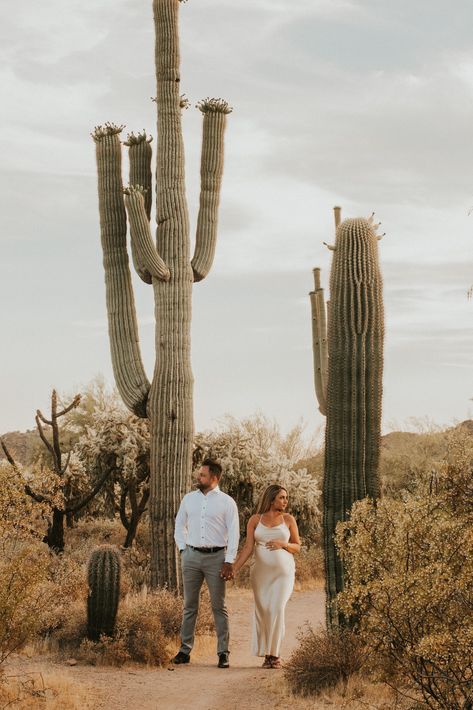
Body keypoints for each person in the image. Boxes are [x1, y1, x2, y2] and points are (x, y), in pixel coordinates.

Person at [172, 458, 240, 669]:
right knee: (189, 606)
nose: (198, 477)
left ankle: (223, 653)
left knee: (219, 606)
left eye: (202, 475)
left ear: (214, 478)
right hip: (191, 557)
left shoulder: (227, 502)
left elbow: (235, 533)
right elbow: (179, 525)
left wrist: (229, 561)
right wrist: (183, 550)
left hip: (216, 558)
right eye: (198, 474)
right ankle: (185, 651)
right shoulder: (188, 499)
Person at [233, 484, 300, 669]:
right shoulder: (255, 520)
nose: (285, 501)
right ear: (271, 499)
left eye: (286, 497)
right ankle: (266, 655)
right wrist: (234, 569)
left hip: (283, 573)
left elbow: (297, 546)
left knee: (276, 609)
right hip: (260, 574)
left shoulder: (288, 519)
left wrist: (283, 544)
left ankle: (274, 655)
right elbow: (247, 548)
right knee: (263, 611)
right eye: (282, 497)